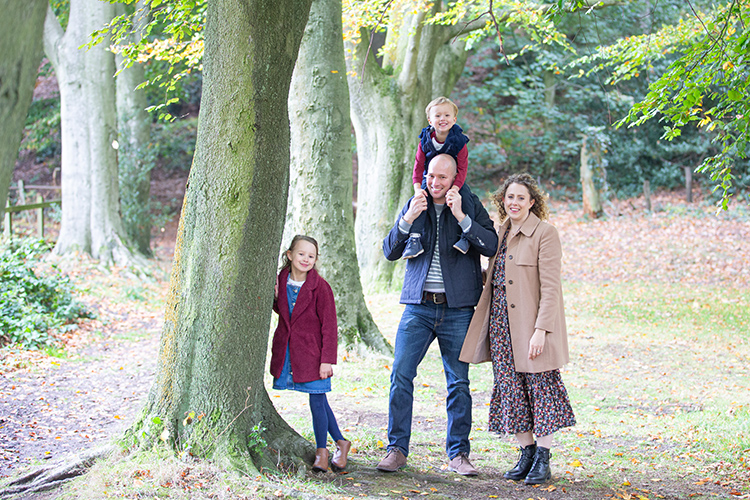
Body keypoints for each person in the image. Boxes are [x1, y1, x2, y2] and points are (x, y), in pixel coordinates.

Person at [378, 154, 499, 475]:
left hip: (458, 309)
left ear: (455, 178)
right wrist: (406, 220)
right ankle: (397, 449)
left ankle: (459, 454)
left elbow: (490, 244)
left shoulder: (468, 202)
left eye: (442, 178)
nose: (435, 183)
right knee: (400, 377)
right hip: (417, 308)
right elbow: (389, 250)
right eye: (431, 176)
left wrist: (462, 216)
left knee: (458, 383)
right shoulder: (415, 202)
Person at [459, 173, 575, 485]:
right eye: (510, 197)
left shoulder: (545, 233)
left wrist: (541, 331)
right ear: (503, 201)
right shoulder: (501, 232)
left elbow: (551, 289)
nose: (514, 202)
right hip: (499, 324)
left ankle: (543, 458)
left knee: (541, 387)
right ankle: (526, 451)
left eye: (521, 198)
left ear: (532, 202)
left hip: (531, 326)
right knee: (509, 387)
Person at [270, 235, 351, 473]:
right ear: (290, 255)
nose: (306, 259)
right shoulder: (281, 281)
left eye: (311, 256)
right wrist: (275, 298)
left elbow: (329, 326)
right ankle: (341, 443)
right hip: (289, 350)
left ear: (316, 260)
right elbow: (286, 314)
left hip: (313, 354)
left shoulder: (321, 287)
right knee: (319, 398)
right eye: (301, 254)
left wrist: (327, 359)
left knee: (317, 399)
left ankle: (322, 452)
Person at [402, 96, 476, 259]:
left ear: (454, 119)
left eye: (447, 115)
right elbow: (418, 166)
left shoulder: (459, 141)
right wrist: (417, 189)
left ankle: (465, 236)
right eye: (437, 116)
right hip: (430, 178)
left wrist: (455, 188)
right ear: (430, 120)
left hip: (453, 179)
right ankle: (414, 239)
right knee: (421, 201)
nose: (442, 119)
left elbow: (463, 167)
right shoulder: (426, 140)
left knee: (466, 197)